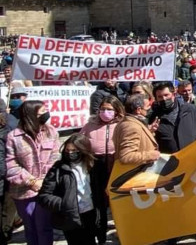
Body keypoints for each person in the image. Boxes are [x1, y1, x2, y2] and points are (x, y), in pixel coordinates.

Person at [5, 100, 59, 245]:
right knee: (31, 228)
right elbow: (11, 165)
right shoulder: (14, 137)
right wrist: (32, 181)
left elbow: (54, 158)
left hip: (45, 189)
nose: (46, 114)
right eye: (42, 112)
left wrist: (43, 181)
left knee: (45, 227)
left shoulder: (51, 131)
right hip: (23, 191)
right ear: (30, 115)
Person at [37, 134, 98, 245]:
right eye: (68, 150)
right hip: (70, 217)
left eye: (74, 150)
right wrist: (64, 204)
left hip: (90, 215)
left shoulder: (94, 166)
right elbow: (44, 196)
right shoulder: (58, 169)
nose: (70, 153)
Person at [79, 95, 123, 245]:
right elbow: (79, 141)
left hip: (115, 166)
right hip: (95, 167)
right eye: (103, 109)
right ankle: (101, 234)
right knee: (99, 203)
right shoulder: (90, 125)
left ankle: (122, 231)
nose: (105, 112)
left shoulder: (122, 125)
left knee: (117, 201)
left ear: (117, 111)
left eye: (109, 109)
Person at [149, 82, 196, 154]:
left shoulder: (190, 110)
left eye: (166, 95)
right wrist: (150, 131)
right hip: (167, 160)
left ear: (173, 94)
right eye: (160, 97)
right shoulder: (153, 116)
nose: (164, 99)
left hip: (191, 156)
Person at [112, 94, 160, 165]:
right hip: (135, 173)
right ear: (138, 110)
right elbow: (126, 156)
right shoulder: (131, 126)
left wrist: (149, 131)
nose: (150, 109)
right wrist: (151, 155)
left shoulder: (129, 122)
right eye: (147, 107)